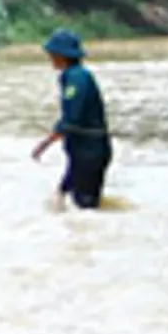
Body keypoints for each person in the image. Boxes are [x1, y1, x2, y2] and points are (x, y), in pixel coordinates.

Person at [31, 29, 113, 211]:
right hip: (85, 151)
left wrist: (45, 143)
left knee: (85, 207)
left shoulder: (76, 78)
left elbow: (71, 118)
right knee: (61, 196)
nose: (50, 57)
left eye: (51, 54)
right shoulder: (75, 75)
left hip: (89, 152)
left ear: (61, 55)